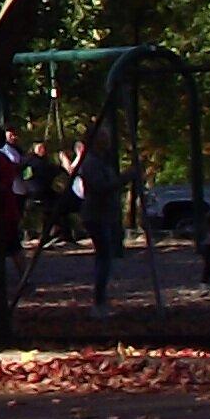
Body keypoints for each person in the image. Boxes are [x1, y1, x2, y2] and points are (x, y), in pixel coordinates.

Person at [70, 125, 125, 308]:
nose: (108, 140)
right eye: (104, 136)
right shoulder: (91, 162)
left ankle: (101, 299)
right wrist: (124, 179)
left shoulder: (102, 161)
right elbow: (99, 187)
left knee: (105, 256)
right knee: (104, 256)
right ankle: (99, 301)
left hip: (105, 212)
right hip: (96, 213)